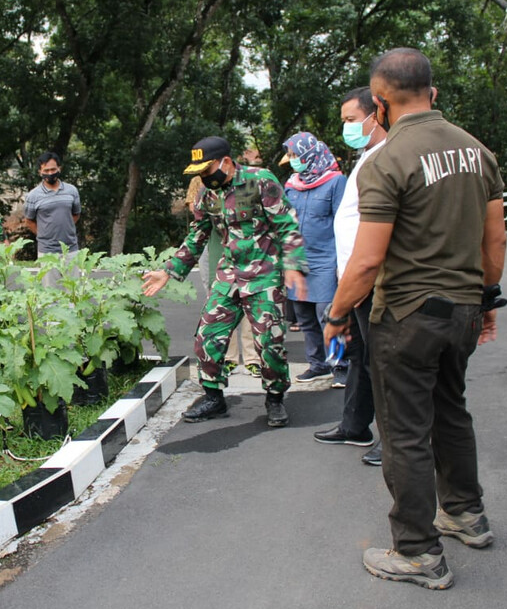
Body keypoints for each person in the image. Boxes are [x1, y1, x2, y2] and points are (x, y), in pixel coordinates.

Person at [323, 48, 507, 590]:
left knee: (404, 431)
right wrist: (485, 300)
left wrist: (336, 315)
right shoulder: (478, 152)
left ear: (378, 103)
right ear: (432, 89)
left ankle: (418, 550)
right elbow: (493, 239)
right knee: (451, 411)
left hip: (407, 316)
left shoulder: (387, 161)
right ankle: (466, 515)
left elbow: (368, 259)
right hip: (464, 312)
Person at [142, 136, 308, 427]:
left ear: (227, 163)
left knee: (270, 342)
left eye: (207, 171)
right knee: (207, 336)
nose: (204, 177)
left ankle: (275, 398)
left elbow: (286, 224)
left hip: (264, 274)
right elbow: (197, 236)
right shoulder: (208, 195)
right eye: (200, 173)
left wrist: (293, 266)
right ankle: (214, 398)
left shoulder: (260, 181)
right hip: (229, 274)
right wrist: (168, 269)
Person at [313, 87, 388, 467]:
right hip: (353, 278)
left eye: (351, 120)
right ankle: (354, 425)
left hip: (371, 281)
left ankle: (392, 442)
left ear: (376, 115)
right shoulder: (366, 157)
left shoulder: (386, 158)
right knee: (359, 356)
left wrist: (356, 281)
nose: (345, 128)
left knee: (383, 361)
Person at [280, 132, 347, 385]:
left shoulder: (336, 181)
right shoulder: (291, 184)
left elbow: (343, 222)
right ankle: (317, 364)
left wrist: (343, 262)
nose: (293, 160)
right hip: (298, 260)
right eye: (291, 155)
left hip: (327, 259)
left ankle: (341, 365)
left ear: (311, 154)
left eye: (296, 155)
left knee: (329, 315)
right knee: (304, 316)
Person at [185, 172, 263, 378]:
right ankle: (229, 359)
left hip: (246, 254)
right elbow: (195, 213)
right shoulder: (199, 183)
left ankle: (253, 359)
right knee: (220, 307)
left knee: (248, 306)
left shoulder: (247, 182)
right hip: (216, 250)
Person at [24, 152, 81, 287]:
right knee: (51, 292)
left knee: (73, 291)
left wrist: (66, 228)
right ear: (40, 172)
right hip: (47, 250)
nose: (50, 173)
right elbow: (29, 221)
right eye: (46, 170)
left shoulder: (71, 191)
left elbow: (76, 213)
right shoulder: (33, 196)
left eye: (53, 169)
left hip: (70, 248)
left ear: (59, 169)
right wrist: (45, 233)